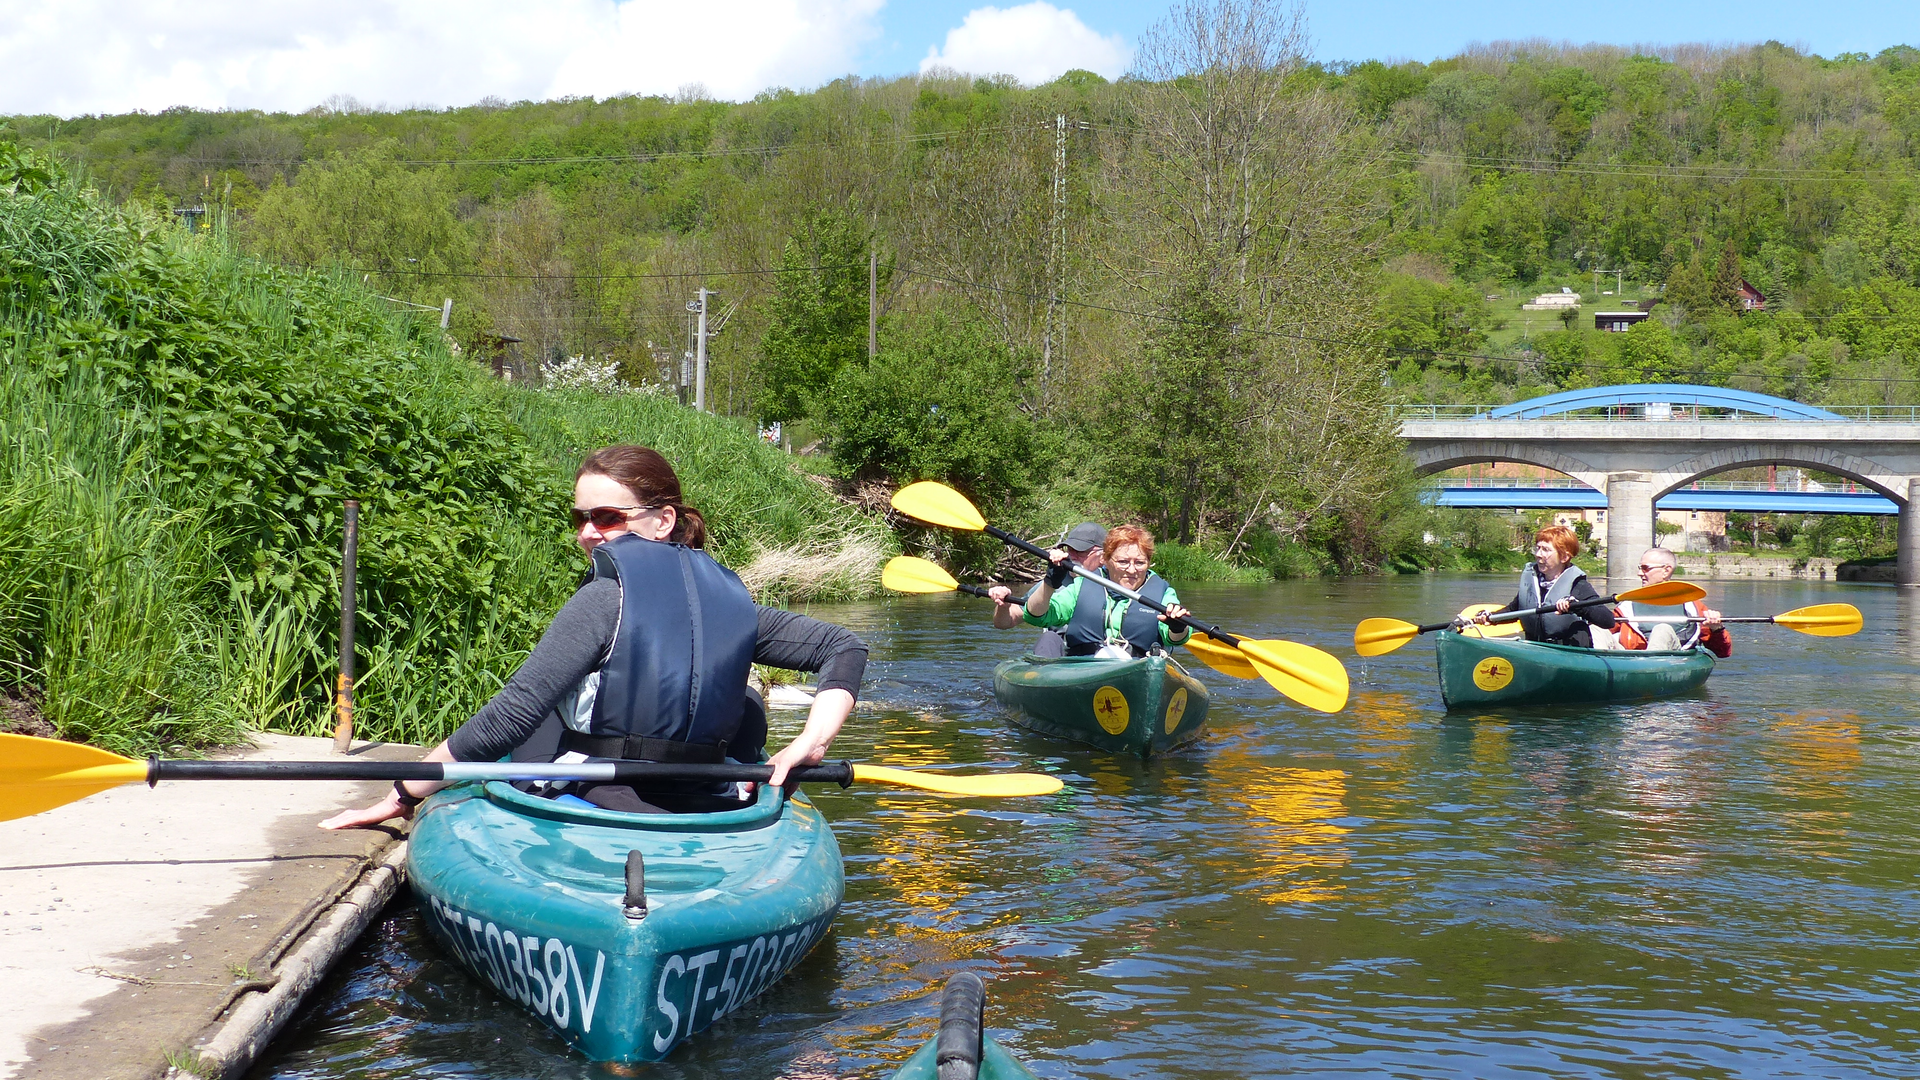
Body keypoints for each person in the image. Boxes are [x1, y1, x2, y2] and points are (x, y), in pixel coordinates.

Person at [320, 445, 868, 829]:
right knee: (748, 704)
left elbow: (512, 715)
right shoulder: (738, 602)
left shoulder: (604, 599)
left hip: (605, 792)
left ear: (663, 520)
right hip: (708, 795)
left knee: (538, 732)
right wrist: (815, 740)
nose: (587, 532)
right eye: (580, 516)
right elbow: (843, 647)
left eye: (607, 517)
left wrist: (402, 793)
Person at [1021, 524, 1192, 657]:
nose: (1132, 570)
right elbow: (1037, 616)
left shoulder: (1163, 593)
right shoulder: (1081, 586)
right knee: (1049, 638)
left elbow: (1175, 639)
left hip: (1137, 671)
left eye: (1140, 563)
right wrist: (1050, 582)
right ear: (1106, 560)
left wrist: (1177, 628)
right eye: (1123, 562)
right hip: (1083, 670)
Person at [1476, 524, 1615, 648]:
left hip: (1569, 652)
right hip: (1536, 648)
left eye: (1546, 550)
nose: (1538, 555)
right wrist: (1490, 618)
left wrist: (1578, 606)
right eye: (1538, 548)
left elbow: (1608, 620)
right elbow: (1515, 610)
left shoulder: (1578, 584)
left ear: (1564, 557)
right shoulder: (1533, 581)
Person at [985, 522, 1106, 656]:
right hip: (1060, 655)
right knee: (1048, 638)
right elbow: (1004, 623)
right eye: (1070, 550)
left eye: (1081, 551)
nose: (1073, 556)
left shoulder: (1115, 583)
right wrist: (1004, 606)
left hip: (1102, 653)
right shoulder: (1053, 581)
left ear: (1104, 556)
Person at [1614, 546, 1732, 656]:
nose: (1639, 573)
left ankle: (1650, 669)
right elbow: (1607, 627)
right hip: (1630, 659)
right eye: (1640, 568)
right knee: (1597, 630)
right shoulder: (1627, 605)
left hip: (1670, 659)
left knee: (1662, 629)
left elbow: (1723, 652)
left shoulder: (1692, 606)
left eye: (1645, 568)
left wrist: (1716, 628)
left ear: (1666, 570)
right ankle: (1599, 672)